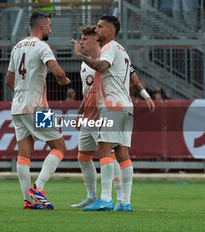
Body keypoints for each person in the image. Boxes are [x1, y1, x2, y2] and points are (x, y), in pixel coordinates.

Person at [71, 16, 155, 211]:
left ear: (110, 31)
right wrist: (145, 96)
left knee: (104, 148)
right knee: (122, 154)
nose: (97, 30)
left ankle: (106, 198)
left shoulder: (109, 48)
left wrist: (80, 55)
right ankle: (125, 202)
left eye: (100, 27)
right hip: (126, 106)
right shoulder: (122, 51)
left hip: (112, 105)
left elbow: (102, 66)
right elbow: (132, 77)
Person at [6, 11, 71, 210]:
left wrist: (21, 94)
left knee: (24, 155)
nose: (51, 29)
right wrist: (64, 80)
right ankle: (38, 188)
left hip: (17, 107)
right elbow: (56, 69)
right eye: (49, 25)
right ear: (42, 26)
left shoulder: (17, 47)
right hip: (38, 108)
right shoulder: (43, 46)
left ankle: (28, 200)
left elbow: (9, 80)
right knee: (60, 147)